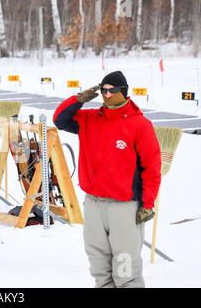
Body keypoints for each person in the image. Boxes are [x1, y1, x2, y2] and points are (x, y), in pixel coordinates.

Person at [53, 71, 161, 288]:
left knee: (125, 267)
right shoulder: (89, 119)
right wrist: (78, 100)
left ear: (124, 91)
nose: (107, 94)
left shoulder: (140, 124)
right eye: (103, 90)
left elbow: (152, 168)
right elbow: (60, 120)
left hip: (124, 206)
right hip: (93, 203)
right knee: (98, 263)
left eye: (112, 90)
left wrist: (147, 204)